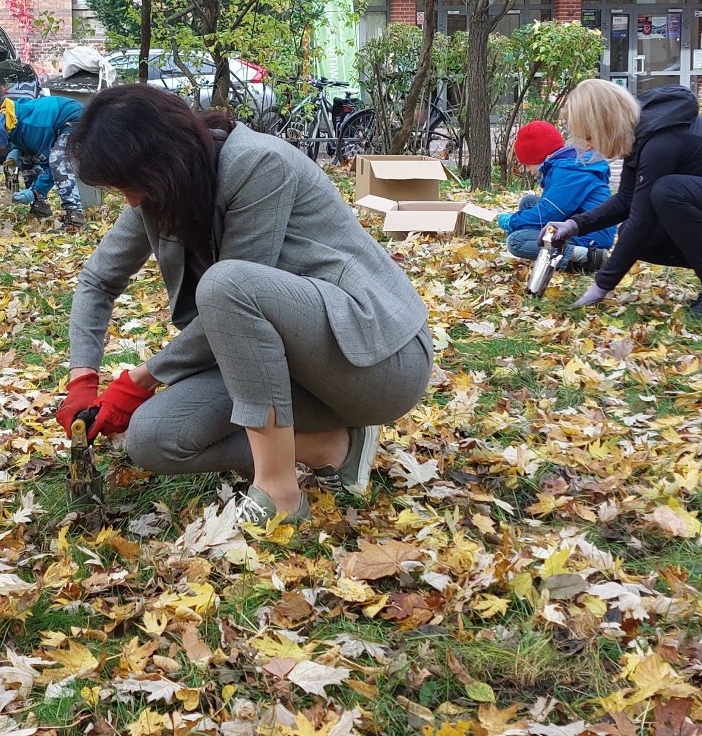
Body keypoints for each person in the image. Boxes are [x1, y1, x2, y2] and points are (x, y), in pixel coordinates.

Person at [56, 84, 433, 529]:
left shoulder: (257, 164)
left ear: (160, 159)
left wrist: (140, 378)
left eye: (130, 185)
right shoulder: (161, 194)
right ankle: (335, 449)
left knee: (225, 283)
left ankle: (279, 494)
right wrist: (82, 376)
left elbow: (232, 292)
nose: (132, 200)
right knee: (154, 438)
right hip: (285, 372)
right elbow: (99, 280)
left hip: (378, 360)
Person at [542, 80, 702, 321]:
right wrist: (574, 225)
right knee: (644, 238)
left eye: (588, 136)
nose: (588, 146)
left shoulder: (660, 140)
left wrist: (601, 286)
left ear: (604, 123)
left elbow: (641, 220)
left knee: (668, 192)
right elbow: (626, 201)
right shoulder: (645, 132)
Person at [497, 120, 615, 271]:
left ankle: (586, 257)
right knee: (528, 202)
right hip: (582, 222)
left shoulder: (568, 172)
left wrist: (513, 221)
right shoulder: (565, 164)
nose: (527, 170)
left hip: (593, 235)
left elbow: (549, 212)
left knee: (516, 242)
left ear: (539, 156)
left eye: (527, 164)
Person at [0, 96, 86, 226]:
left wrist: (35, 191)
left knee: (57, 161)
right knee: (25, 157)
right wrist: (16, 150)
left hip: (76, 120)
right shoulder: (10, 121)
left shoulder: (32, 127)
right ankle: (40, 205)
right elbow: (22, 139)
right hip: (55, 122)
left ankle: (75, 215)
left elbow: (49, 166)